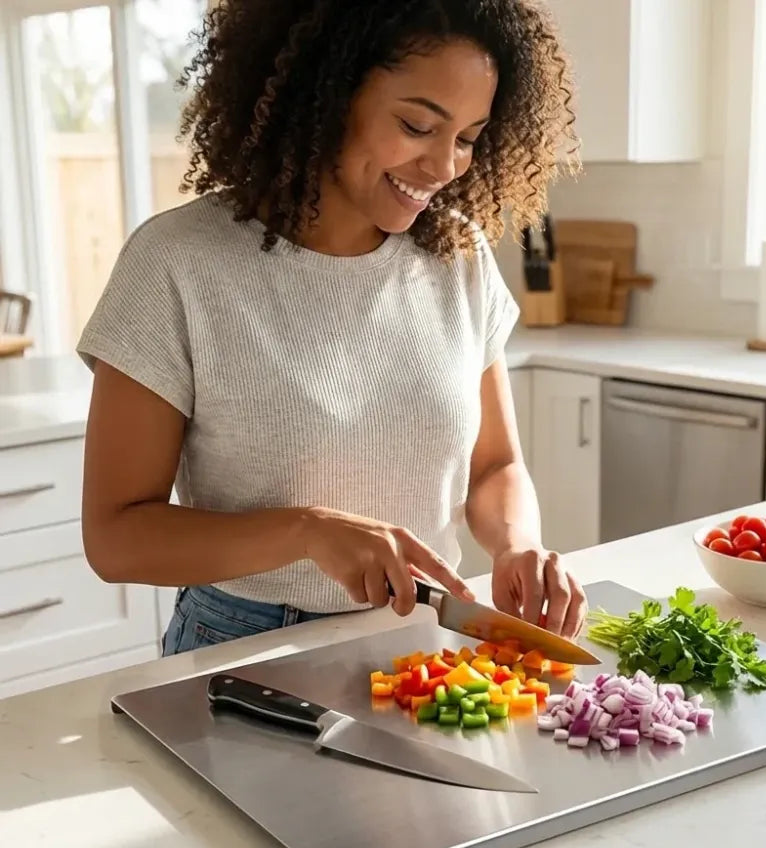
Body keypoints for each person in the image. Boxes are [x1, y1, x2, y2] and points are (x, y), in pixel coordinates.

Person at [77, 0, 588, 656]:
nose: (445, 167)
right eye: (416, 125)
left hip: (426, 642)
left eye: (466, 138)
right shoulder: (177, 263)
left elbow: (494, 466)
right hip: (245, 646)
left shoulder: (457, 258)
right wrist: (304, 532)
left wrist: (518, 544)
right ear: (324, 93)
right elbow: (116, 539)